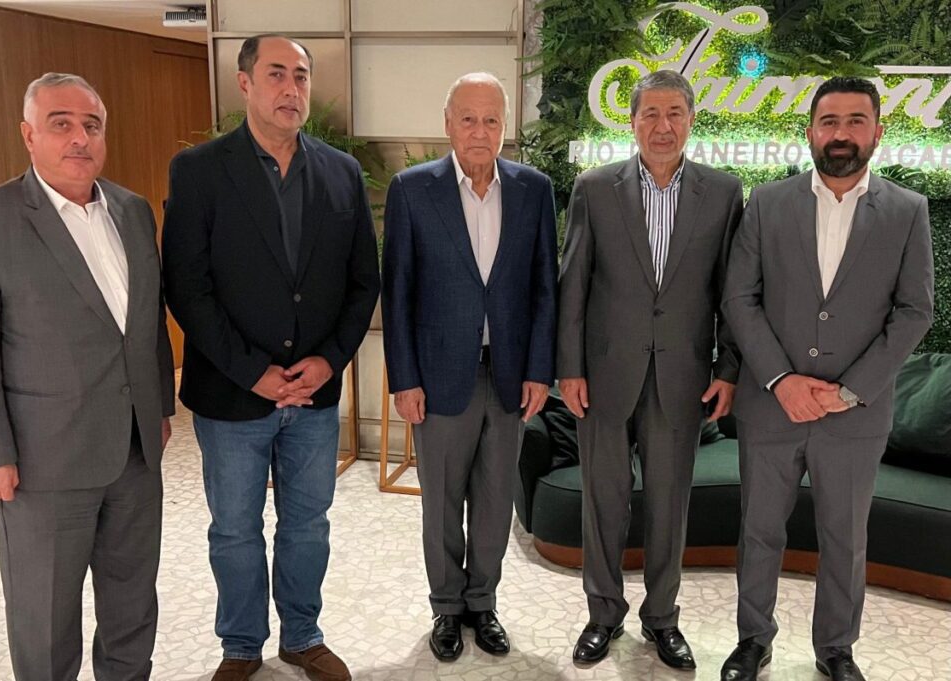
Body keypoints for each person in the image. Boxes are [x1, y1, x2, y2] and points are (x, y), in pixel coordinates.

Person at [0, 72, 175, 681]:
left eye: (91, 125)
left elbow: (145, 322)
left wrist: (159, 409)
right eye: (61, 124)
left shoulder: (131, 210)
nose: (79, 138)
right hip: (41, 461)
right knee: (45, 614)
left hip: (134, 453)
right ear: (29, 135)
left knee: (132, 601)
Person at [161, 35, 379, 681]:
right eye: (276, 74)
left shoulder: (341, 171)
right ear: (245, 83)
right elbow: (187, 286)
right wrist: (251, 370)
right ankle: (240, 645)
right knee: (234, 528)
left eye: (301, 76)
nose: (291, 88)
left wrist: (329, 360)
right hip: (232, 394)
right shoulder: (199, 170)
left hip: (314, 393)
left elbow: (363, 281)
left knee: (308, 525)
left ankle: (302, 636)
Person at [719, 76, 933, 681]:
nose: (841, 133)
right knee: (759, 531)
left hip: (854, 415)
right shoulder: (767, 203)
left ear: (878, 132)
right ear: (810, 131)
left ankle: (836, 648)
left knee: (845, 537)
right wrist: (780, 380)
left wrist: (849, 390)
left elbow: (915, 311)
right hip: (772, 408)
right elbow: (739, 298)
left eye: (855, 121)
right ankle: (752, 640)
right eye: (830, 121)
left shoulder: (907, 211)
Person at [557, 70, 743, 671]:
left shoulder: (723, 192)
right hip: (604, 375)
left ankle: (662, 618)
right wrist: (568, 368)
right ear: (632, 122)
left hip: (681, 378)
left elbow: (732, 292)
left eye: (674, 114)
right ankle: (602, 614)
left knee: (668, 506)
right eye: (651, 114)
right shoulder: (595, 188)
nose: (663, 127)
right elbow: (573, 284)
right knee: (603, 502)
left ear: (691, 120)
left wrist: (728, 368)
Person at [381, 72, 557, 661]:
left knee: (495, 499)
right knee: (441, 501)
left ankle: (483, 603)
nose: (479, 131)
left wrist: (540, 370)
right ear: (448, 124)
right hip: (437, 378)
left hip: (508, 376)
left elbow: (544, 289)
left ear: (505, 126)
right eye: (468, 119)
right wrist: (404, 379)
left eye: (491, 120)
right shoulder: (412, 190)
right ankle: (447, 608)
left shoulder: (533, 190)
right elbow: (397, 291)